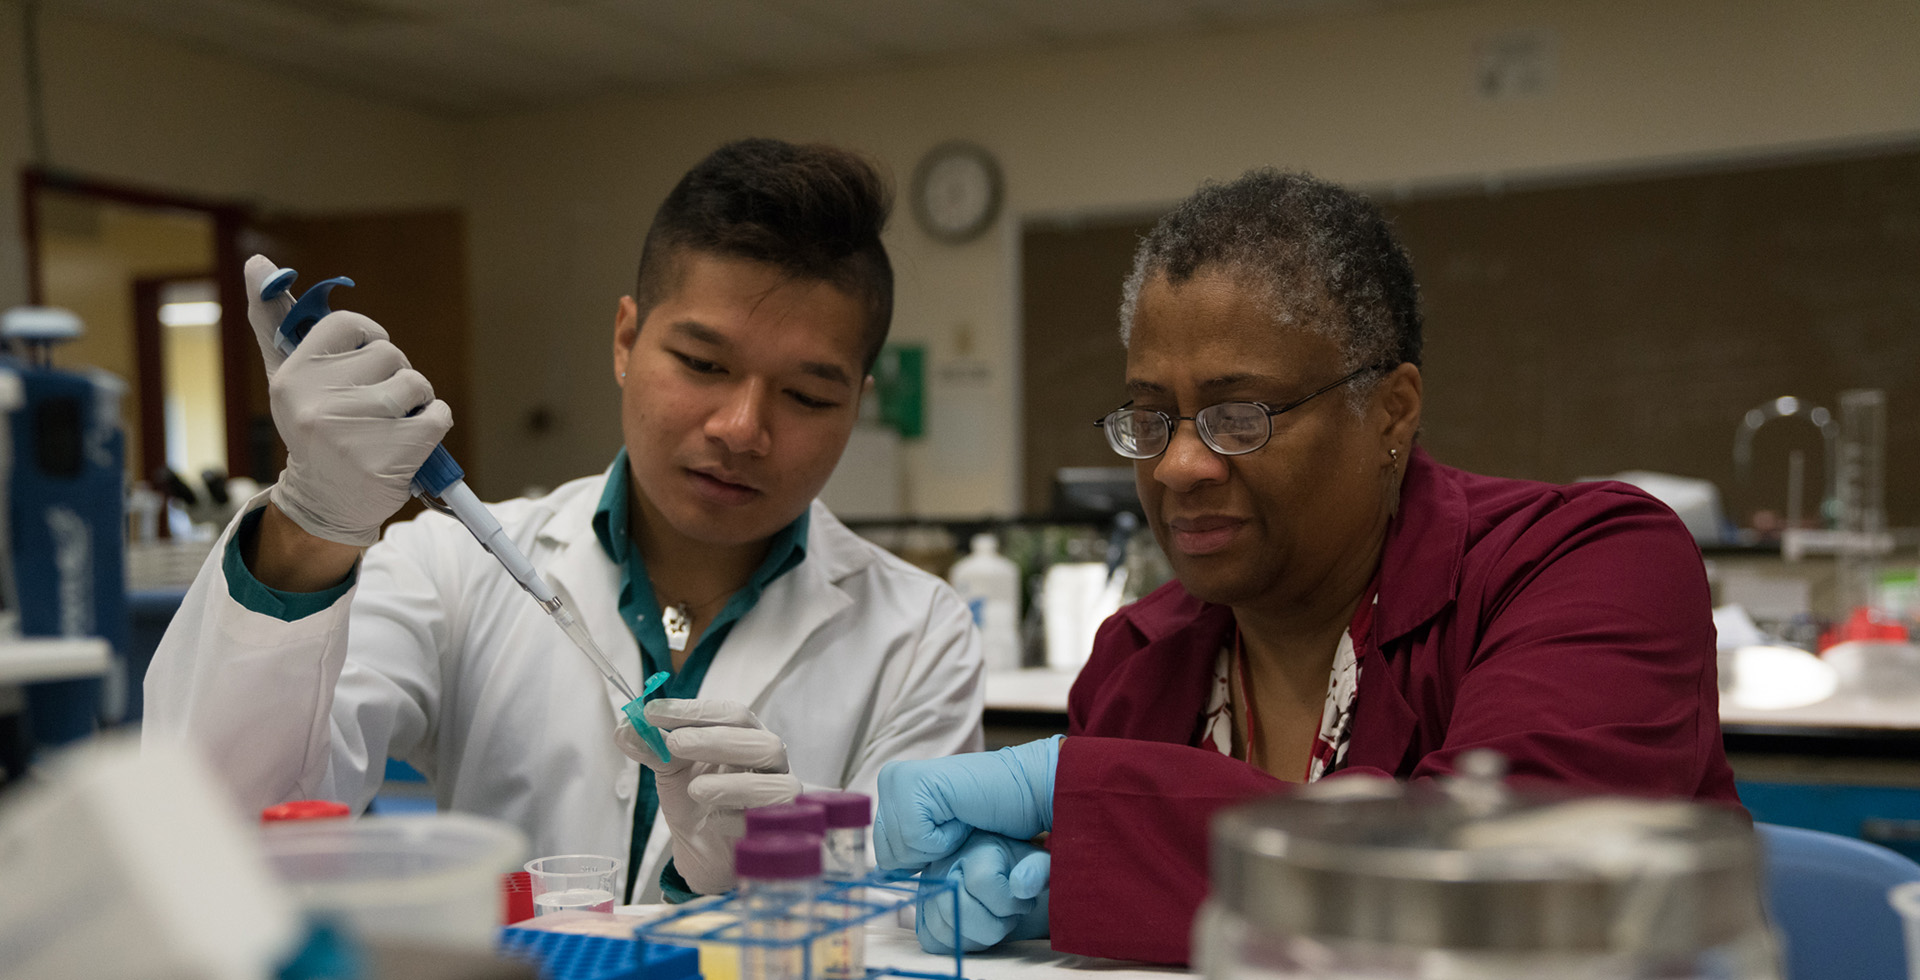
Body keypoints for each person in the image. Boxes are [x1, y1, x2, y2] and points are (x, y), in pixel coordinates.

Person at [870, 168, 1739, 964]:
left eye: (1237, 416)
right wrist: (1057, 889)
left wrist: (1079, 795)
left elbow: (1504, 885)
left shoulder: (1591, 562)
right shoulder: (1141, 658)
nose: (1178, 466)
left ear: (1391, 412)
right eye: (1148, 417)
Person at [145, 138, 984, 902]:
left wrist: (771, 880)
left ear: (856, 405)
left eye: (806, 394)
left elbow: (903, 930)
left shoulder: (919, 636)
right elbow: (224, 828)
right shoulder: (452, 566)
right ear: (625, 340)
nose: (741, 428)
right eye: (701, 362)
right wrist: (313, 523)